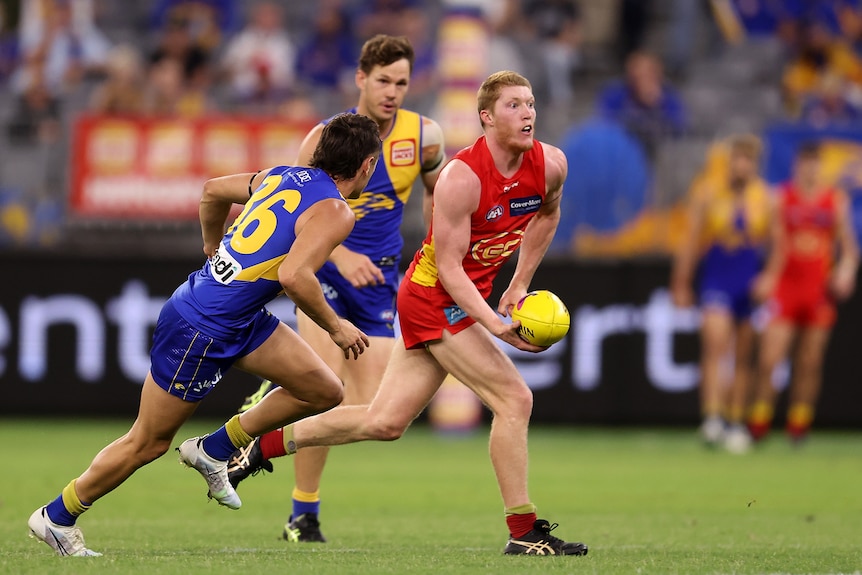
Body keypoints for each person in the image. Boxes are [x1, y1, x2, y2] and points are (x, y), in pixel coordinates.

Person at [216, 70, 588, 556]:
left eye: (531, 103)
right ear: (486, 118)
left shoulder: (551, 165)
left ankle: (254, 448)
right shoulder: (462, 176)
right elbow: (451, 271)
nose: (528, 114)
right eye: (514, 105)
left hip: (454, 300)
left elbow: (548, 213)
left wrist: (518, 284)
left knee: (383, 422)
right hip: (433, 298)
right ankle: (523, 532)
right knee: (515, 399)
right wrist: (496, 325)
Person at [27, 112, 382, 557]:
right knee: (148, 441)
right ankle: (56, 517)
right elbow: (294, 275)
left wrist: (211, 246)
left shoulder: (282, 176)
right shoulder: (335, 210)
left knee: (323, 390)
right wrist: (337, 326)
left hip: (237, 315)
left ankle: (214, 450)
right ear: (367, 166)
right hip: (203, 326)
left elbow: (212, 190)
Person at [228, 33, 445, 543]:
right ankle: (303, 514)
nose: (392, 92)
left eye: (402, 83)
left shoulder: (426, 137)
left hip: (380, 279)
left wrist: (436, 255)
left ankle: (267, 411)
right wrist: (342, 255)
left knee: (376, 408)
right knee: (325, 386)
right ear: (360, 79)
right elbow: (293, 212)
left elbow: (440, 198)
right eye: (383, 81)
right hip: (324, 270)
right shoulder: (325, 138)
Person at [748, 142, 859, 444]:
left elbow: (849, 248)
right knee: (770, 358)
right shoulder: (781, 198)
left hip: (817, 290)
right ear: (796, 166)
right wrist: (769, 277)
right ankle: (759, 421)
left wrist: (845, 271)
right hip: (786, 288)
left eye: (815, 164)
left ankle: (799, 425)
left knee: (810, 361)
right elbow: (772, 242)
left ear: (820, 168)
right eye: (805, 163)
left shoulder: (834, 201)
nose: (810, 169)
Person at [670, 134, 771, 453]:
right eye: (737, 159)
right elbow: (691, 242)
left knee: (743, 354)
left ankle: (735, 419)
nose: (742, 166)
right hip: (717, 279)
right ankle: (712, 417)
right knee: (715, 346)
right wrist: (681, 282)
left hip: (749, 282)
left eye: (748, 160)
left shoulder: (766, 199)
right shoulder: (709, 195)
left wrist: (771, 277)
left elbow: (779, 244)